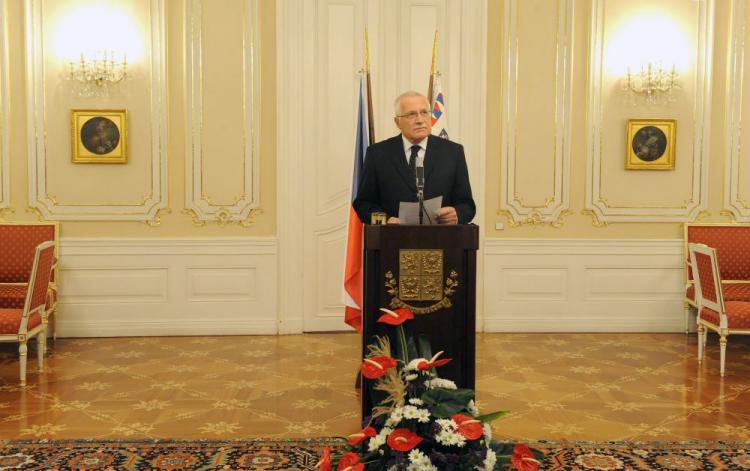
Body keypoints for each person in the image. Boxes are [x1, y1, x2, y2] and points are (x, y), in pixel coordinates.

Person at [353, 91, 475, 225]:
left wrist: (456, 214)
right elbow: (363, 204)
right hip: (392, 240)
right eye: (412, 114)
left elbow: (467, 206)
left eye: (424, 113)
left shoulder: (453, 152)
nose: (420, 120)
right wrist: (387, 220)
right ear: (397, 122)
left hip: (441, 240)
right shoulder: (377, 154)